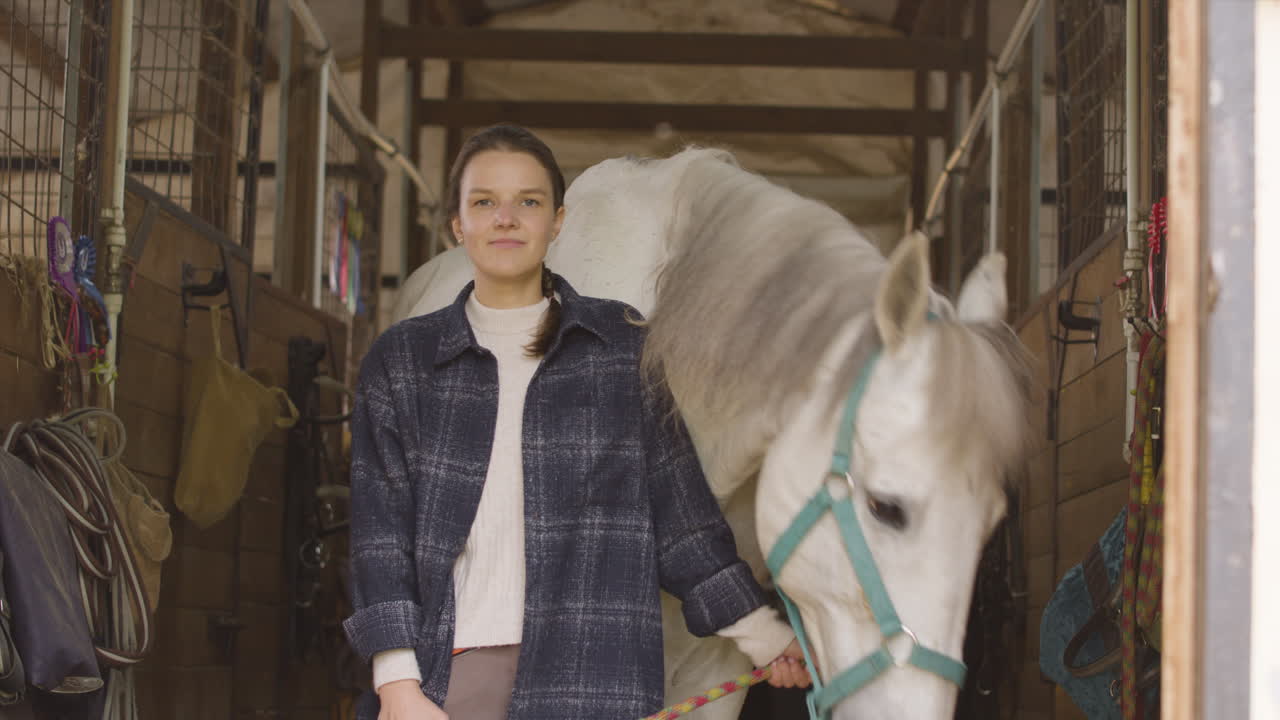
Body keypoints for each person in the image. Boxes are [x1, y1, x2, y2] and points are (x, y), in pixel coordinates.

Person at [343, 124, 810, 720]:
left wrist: (767, 640)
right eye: (484, 202)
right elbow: (381, 537)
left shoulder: (621, 347)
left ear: (557, 223)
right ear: (458, 227)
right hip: (452, 676)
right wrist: (398, 686)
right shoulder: (404, 361)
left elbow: (684, 521)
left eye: (528, 202)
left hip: (596, 681)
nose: (506, 219)